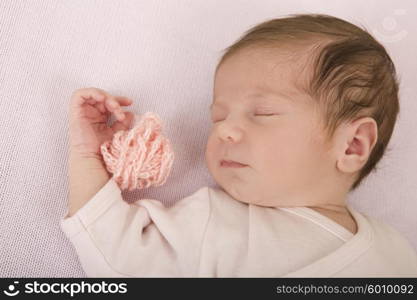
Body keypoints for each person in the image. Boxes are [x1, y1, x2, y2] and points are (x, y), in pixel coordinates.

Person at [61, 14, 417, 277]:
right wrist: (88, 155)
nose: (225, 131)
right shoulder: (213, 222)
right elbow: (117, 256)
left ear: (352, 146)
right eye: (218, 117)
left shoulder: (398, 252)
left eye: (262, 113)